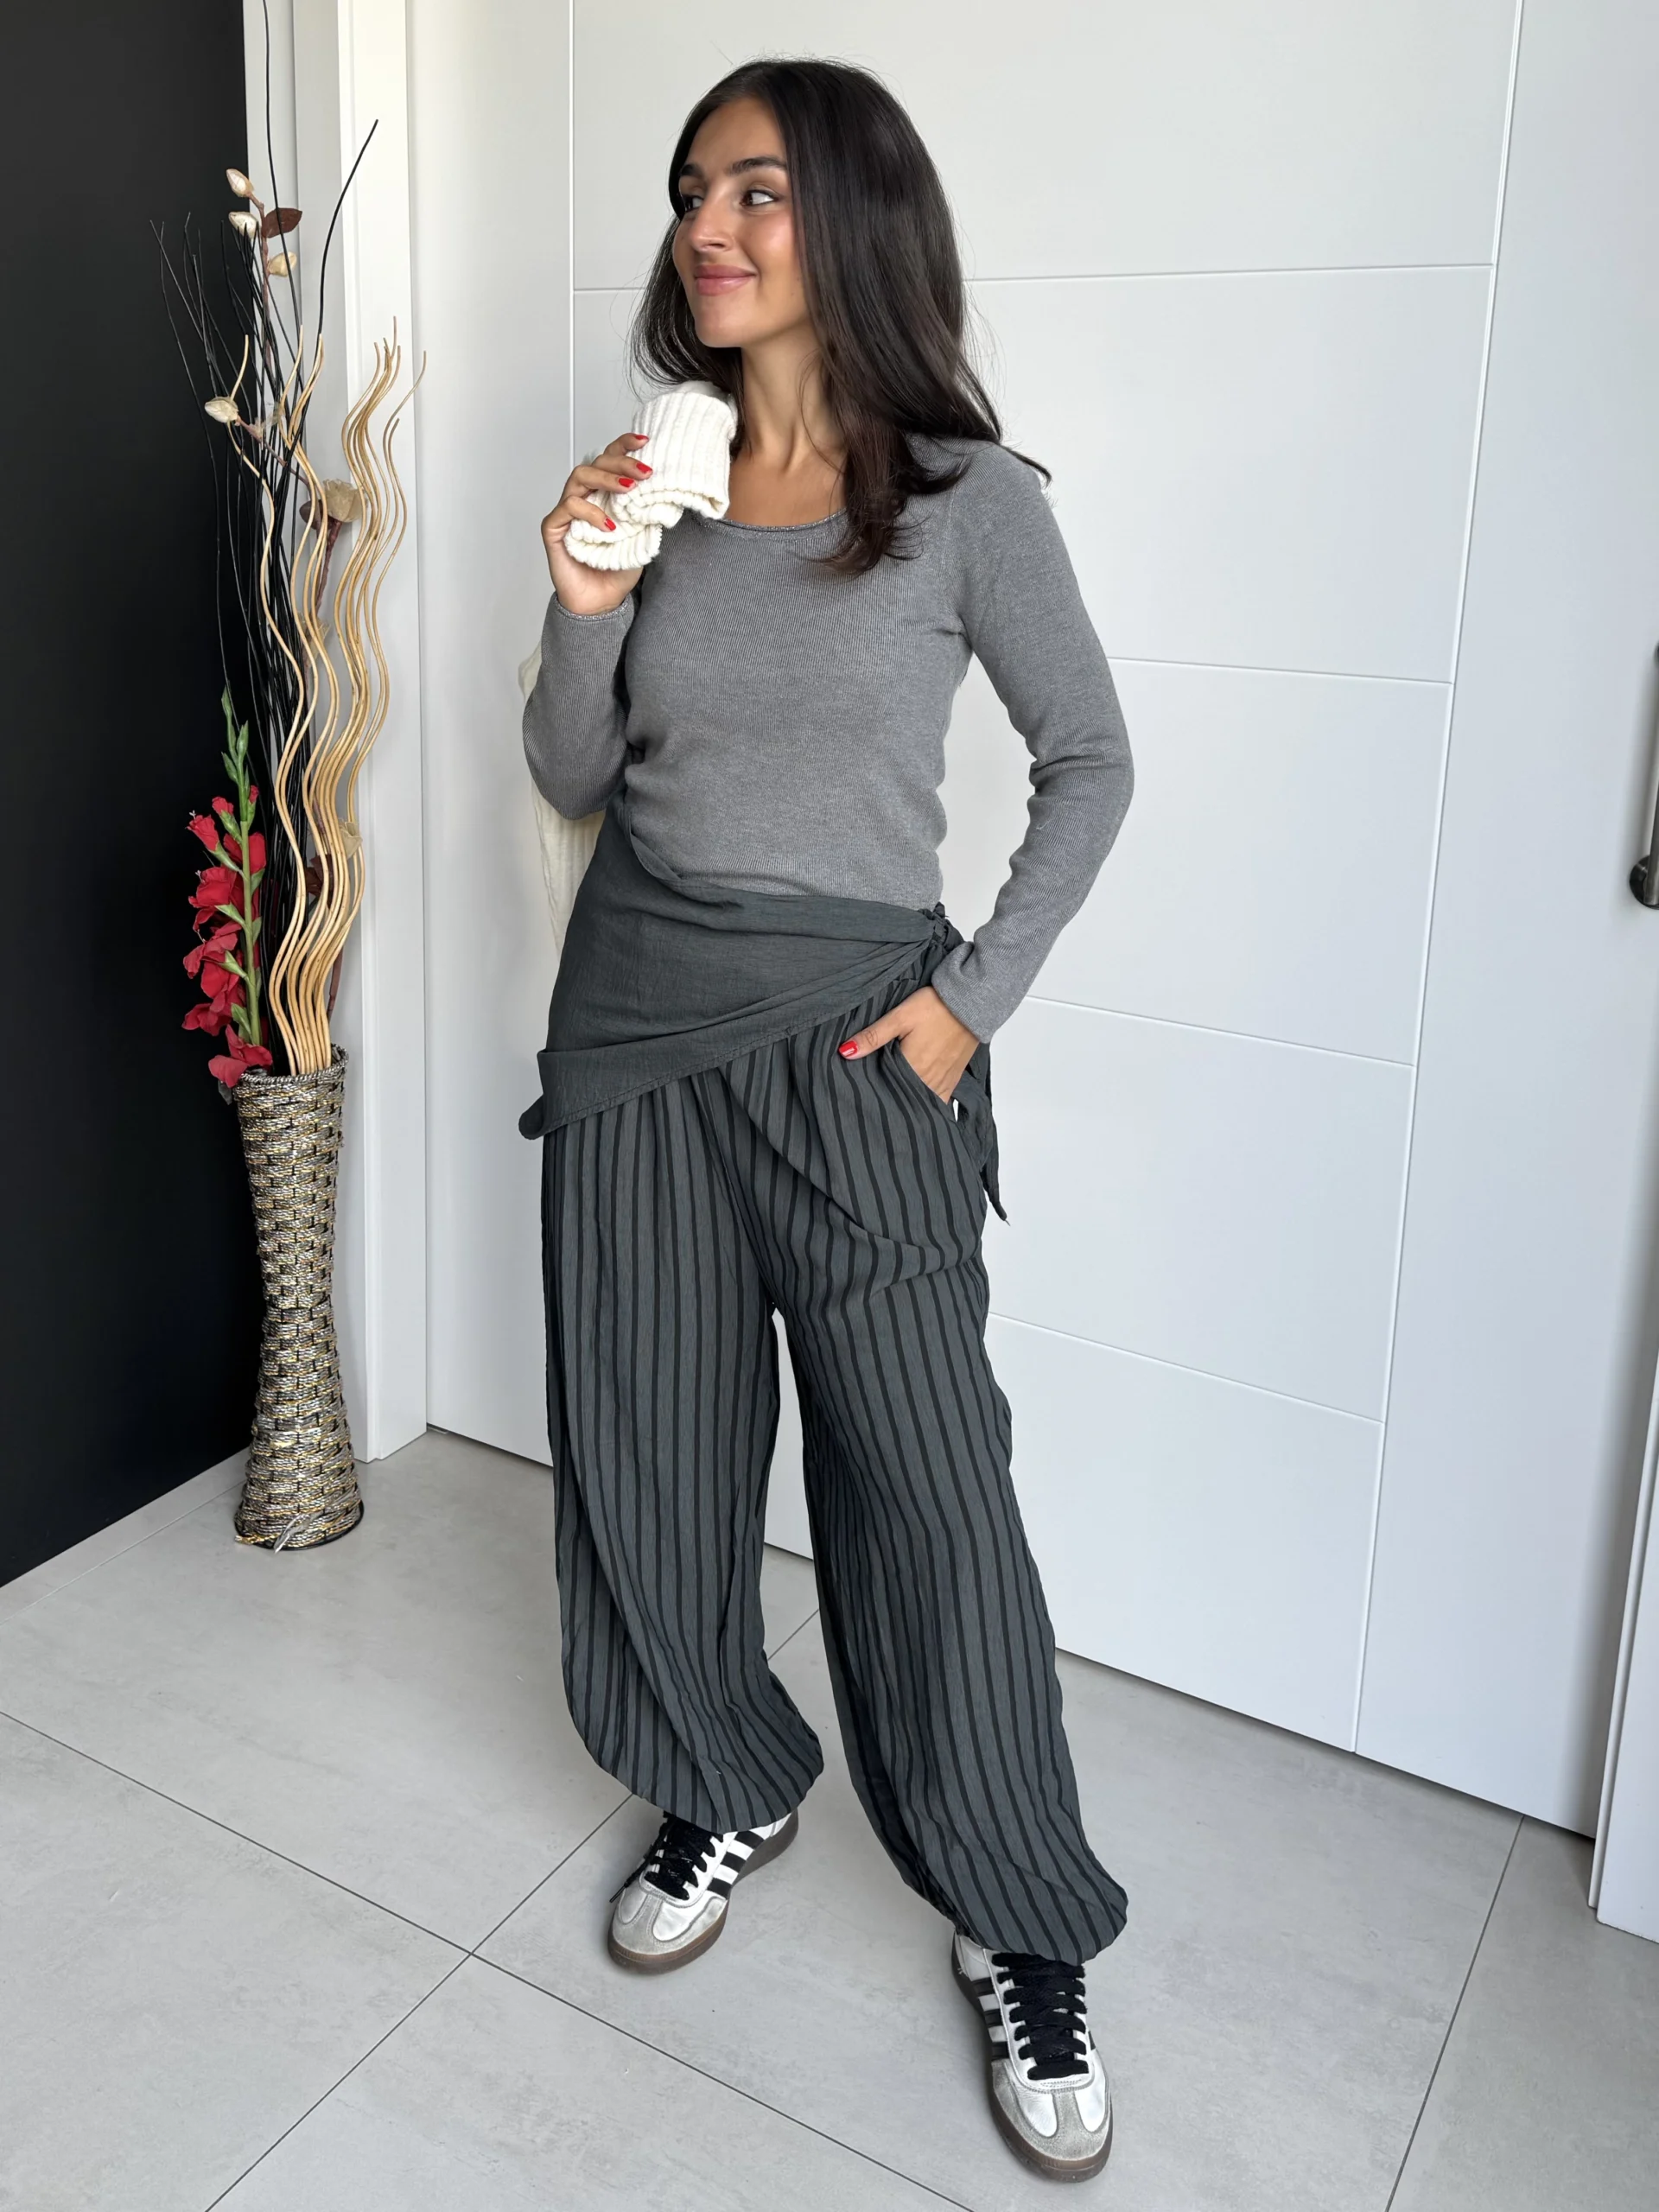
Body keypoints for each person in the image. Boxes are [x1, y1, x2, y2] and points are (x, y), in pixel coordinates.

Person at [521, 56, 1134, 2185]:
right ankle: (724, 1771)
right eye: (695, 187)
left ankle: (1019, 1910)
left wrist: (970, 1005)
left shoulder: (970, 500)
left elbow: (1092, 762)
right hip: (638, 1023)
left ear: (856, 216)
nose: (709, 223)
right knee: (651, 1449)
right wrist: (586, 594)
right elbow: (572, 769)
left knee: (931, 1493)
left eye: (760, 189)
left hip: (868, 1040)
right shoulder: (658, 477)